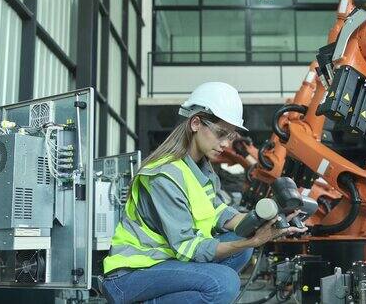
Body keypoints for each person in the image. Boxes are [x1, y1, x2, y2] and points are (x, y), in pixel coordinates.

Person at [101, 82, 305, 304]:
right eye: (221, 134)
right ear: (196, 123)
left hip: (163, 263)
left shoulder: (203, 169)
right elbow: (188, 248)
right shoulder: (163, 176)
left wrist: (268, 218)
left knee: (240, 242)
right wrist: (251, 242)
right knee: (224, 283)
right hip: (131, 274)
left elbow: (217, 213)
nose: (226, 144)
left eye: (231, 136)